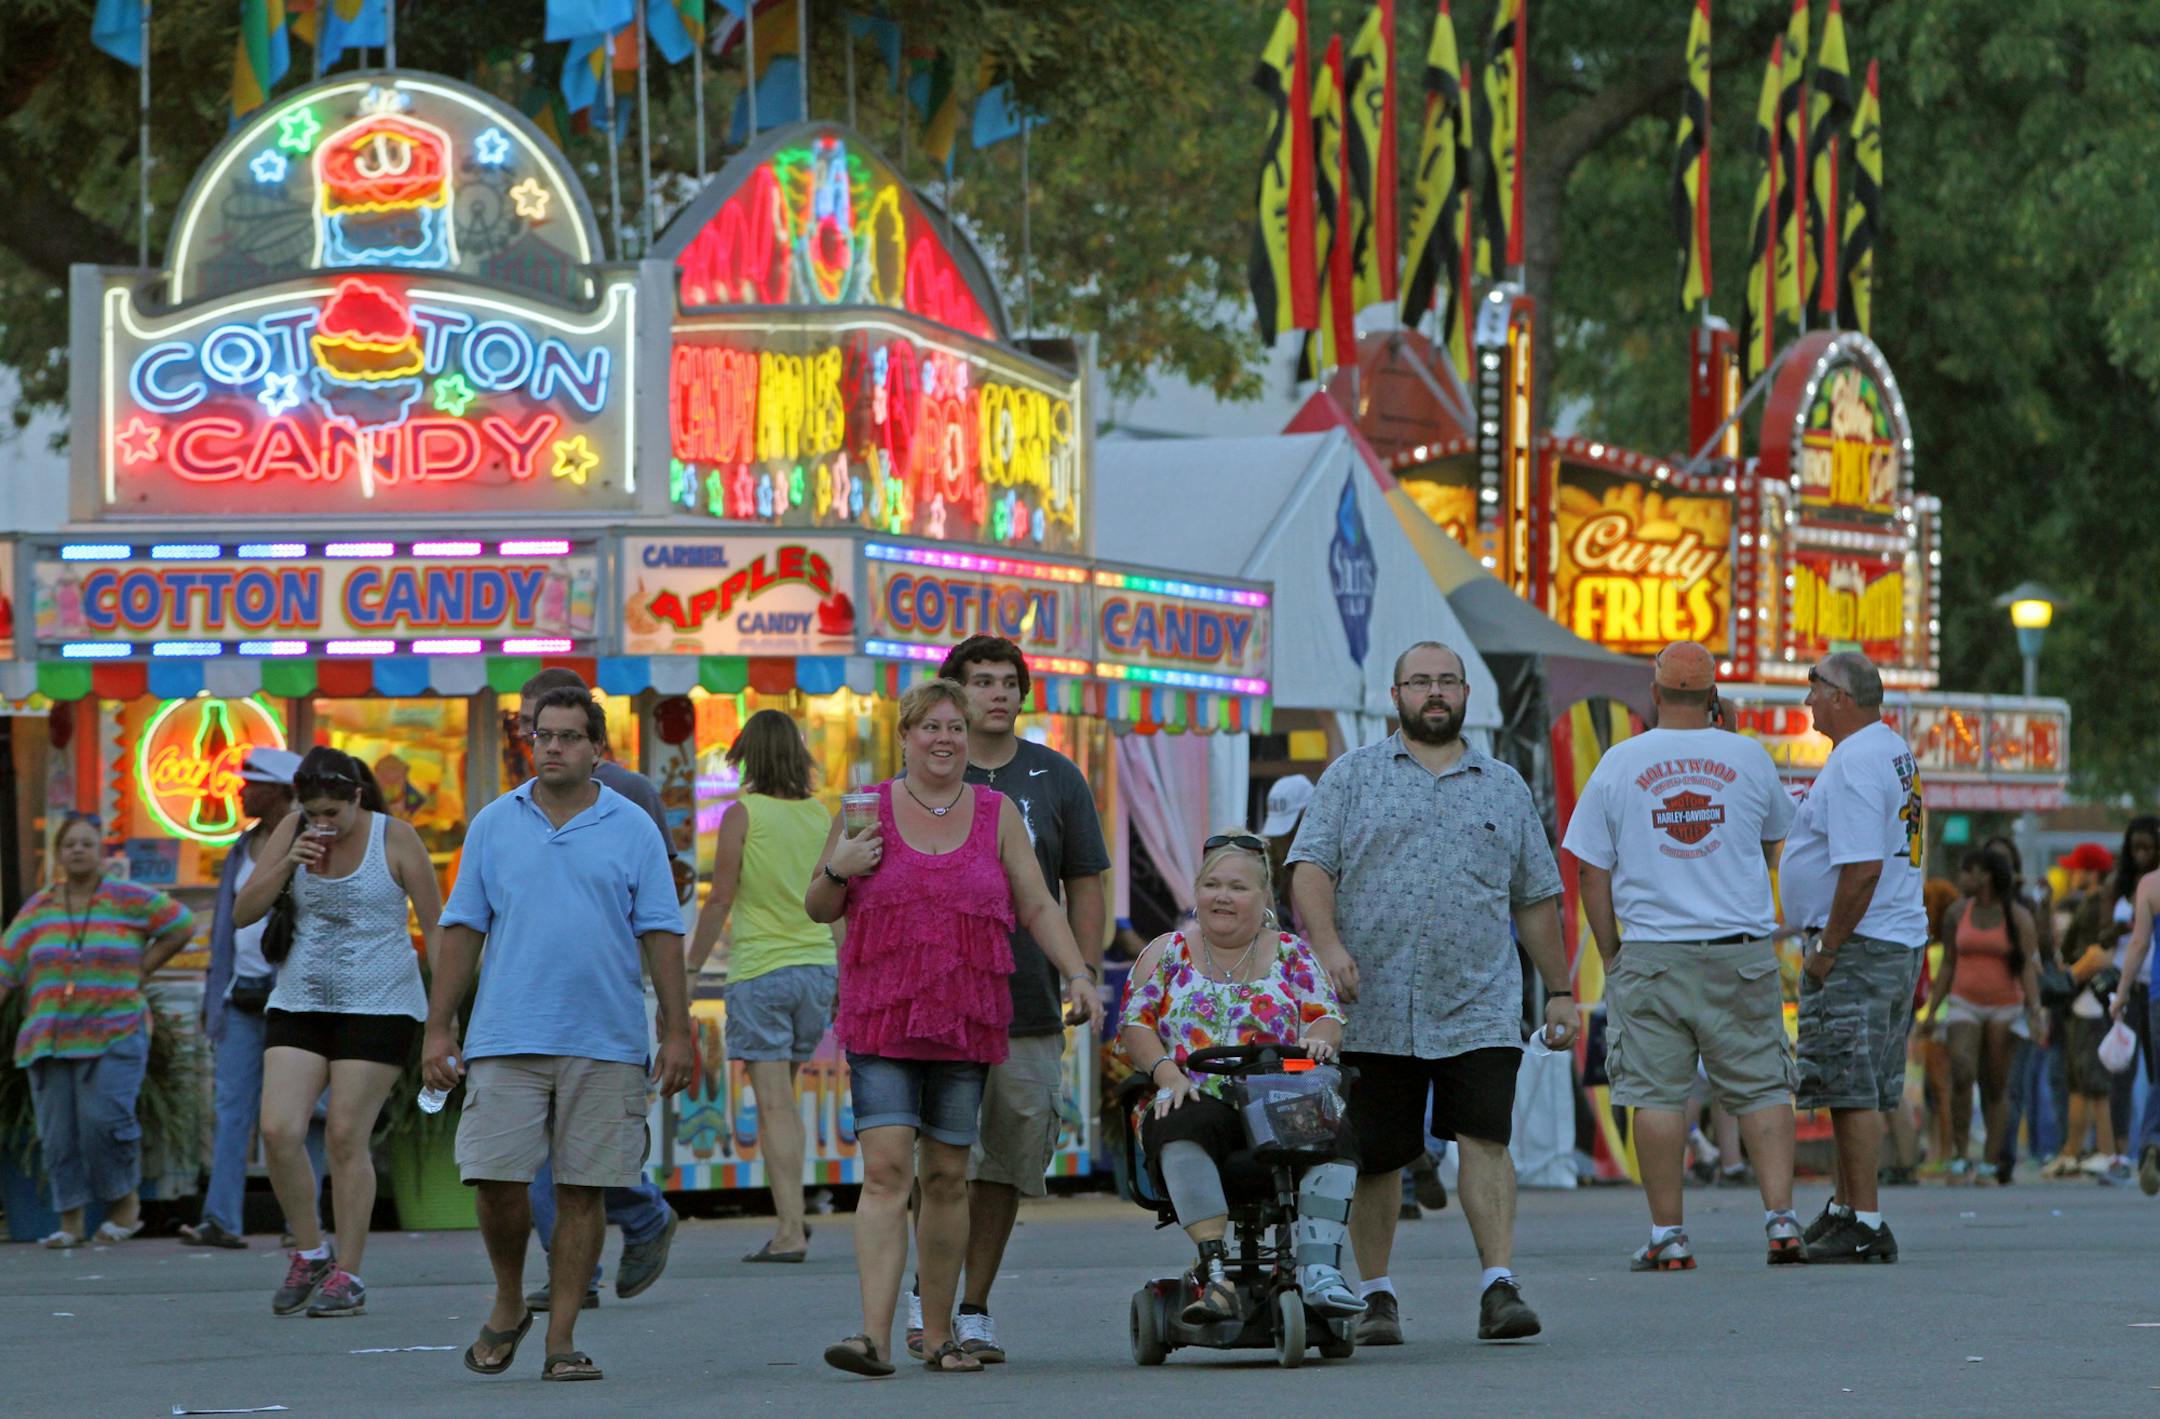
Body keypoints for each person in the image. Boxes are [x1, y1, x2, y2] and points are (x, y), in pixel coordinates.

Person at [807, 678, 1104, 1378]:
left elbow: (1037, 901)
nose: (943, 739)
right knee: (885, 1169)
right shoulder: (865, 807)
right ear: (905, 735)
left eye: (954, 729)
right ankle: (873, 1336)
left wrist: (1078, 972)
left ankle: (938, 1334)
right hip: (882, 1014)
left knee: (945, 1176)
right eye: (929, 728)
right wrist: (837, 866)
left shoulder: (995, 812)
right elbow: (819, 905)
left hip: (966, 1016)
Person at [1288, 640, 1576, 1346]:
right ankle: (1378, 1294)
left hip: (1477, 1000)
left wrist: (1562, 990)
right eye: (1421, 681)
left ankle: (1498, 1285)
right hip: (1373, 1002)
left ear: (1466, 694)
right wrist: (1328, 946)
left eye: (1448, 680)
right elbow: (1308, 868)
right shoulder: (1352, 776)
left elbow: (1537, 897)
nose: (1435, 692)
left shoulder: (1504, 786)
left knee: (1485, 1137)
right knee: (1379, 1153)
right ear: (1397, 694)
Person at [425, 684, 694, 1383]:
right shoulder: (493, 822)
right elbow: (461, 928)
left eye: (570, 736)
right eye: (544, 734)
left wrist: (675, 1029)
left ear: (597, 750)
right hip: (505, 1034)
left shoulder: (632, 826)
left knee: (582, 1187)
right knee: (493, 1177)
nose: (553, 746)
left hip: (604, 1036)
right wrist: (437, 1026)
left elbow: (662, 934)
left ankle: (563, 1337)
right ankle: (511, 1299)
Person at [1561, 640, 1801, 1270]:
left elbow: (1591, 870)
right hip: (1739, 950)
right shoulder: (1749, 757)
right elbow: (1778, 840)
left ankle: (1668, 1233)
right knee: (1761, 1087)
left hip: (1653, 951)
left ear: (1656, 693)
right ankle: (1780, 1219)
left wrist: (1612, 952)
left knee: (1658, 1095)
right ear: (1714, 694)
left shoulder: (1619, 762)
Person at [920, 635, 1109, 1364]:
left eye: (1008, 682)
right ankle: (923, 1292)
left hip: (1028, 1001)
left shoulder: (1055, 777)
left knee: (1005, 1159)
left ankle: (974, 1305)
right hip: (940, 1002)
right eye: (981, 681)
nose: (996, 693)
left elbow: (1083, 882)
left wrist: (1082, 968)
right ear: (954, 694)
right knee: (938, 1161)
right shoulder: (932, 771)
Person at [1119, 829, 1363, 1321]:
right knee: (1180, 1120)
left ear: (1264, 896)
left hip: (1274, 1097)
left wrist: (1319, 1040)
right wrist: (1168, 1073)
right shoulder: (1165, 953)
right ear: (1196, 891)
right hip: (1192, 1093)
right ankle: (1216, 1278)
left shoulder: (1293, 953)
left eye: (1237, 886)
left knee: (1334, 1123)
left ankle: (1319, 1272)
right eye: (1212, 885)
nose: (1222, 896)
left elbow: (1325, 1017)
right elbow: (1133, 1028)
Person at [234, 747, 442, 1317]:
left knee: (346, 1135)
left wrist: (444, 1020)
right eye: (313, 811)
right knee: (278, 1129)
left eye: (333, 811)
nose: (323, 823)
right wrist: (284, 865)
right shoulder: (294, 831)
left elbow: (438, 925)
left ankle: (348, 1273)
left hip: (380, 1002)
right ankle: (309, 1249)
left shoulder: (395, 838)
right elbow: (240, 914)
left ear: (357, 797)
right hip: (302, 998)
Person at [513, 668, 683, 1312]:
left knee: (581, 1149)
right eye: (534, 726)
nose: (546, 739)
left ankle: (627, 1229)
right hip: (531, 1000)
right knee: (542, 1148)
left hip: (609, 995)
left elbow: (664, 897)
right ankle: (590, 1263)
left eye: (559, 727)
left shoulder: (631, 794)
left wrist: (670, 1013)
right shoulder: (523, 798)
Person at [1779, 652, 1927, 1264]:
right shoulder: (1887, 750)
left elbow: (1862, 870)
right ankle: (1846, 1206)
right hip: (1889, 938)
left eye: (1814, 688)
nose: (1808, 700)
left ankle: (1864, 1219)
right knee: (1851, 1080)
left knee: (1849, 1082)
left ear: (1840, 695)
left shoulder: (1858, 761)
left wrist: (1828, 949)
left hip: (1861, 945)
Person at [686, 708, 838, 1263]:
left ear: (748, 755)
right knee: (786, 1102)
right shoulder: (821, 815)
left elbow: (720, 897)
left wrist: (689, 968)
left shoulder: (741, 814)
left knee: (773, 1104)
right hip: (817, 970)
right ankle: (794, 1216)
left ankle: (790, 1230)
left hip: (762, 971)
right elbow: (839, 898)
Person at [0, 814, 195, 1248]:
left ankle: (123, 1204)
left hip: (115, 1029)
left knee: (104, 1123)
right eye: (69, 844)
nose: (78, 850)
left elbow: (181, 923)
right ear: (58, 854)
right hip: (49, 1037)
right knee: (59, 1135)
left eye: (87, 844)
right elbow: (6, 965)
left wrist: (143, 968)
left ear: (101, 851)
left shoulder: (127, 898)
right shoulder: (40, 907)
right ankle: (70, 1224)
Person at [182, 747, 326, 1249]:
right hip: (241, 994)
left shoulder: (314, 842)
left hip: (297, 993)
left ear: (281, 791)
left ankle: (301, 1225)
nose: (242, 790)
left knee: (307, 1113)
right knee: (232, 1108)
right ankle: (221, 1218)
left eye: (253, 783)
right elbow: (226, 923)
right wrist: (212, 996)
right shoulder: (241, 846)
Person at [1920, 849, 2043, 1184]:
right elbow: (1947, 963)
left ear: (1985, 876)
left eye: (1968, 872)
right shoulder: (1958, 912)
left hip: (2005, 1005)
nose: (1962, 879)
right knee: (1961, 1072)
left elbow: (2029, 969)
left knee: (1996, 1083)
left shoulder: (2017, 916)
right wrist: (1932, 1010)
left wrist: (2035, 1012)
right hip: (1964, 1002)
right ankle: (1960, 1156)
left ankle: (1989, 1161)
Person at [2099, 822, 2159, 1181]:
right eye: (2135, 848)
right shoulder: (2119, 887)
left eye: (2148, 848)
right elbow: (2105, 935)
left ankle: (2149, 1143)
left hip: (2150, 984)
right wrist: (2125, 927)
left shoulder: (2150, 886)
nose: (2141, 855)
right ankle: (2121, 1152)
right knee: (2121, 1073)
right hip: (2132, 982)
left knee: (2156, 1071)